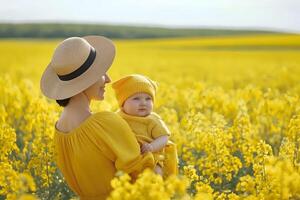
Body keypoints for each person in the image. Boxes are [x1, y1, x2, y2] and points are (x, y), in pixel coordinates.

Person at [40, 36, 155, 200]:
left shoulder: (58, 133)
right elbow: (143, 175)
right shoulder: (105, 124)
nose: (108, 79)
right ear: (83, 82)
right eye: (101, 73)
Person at [112, 74, 178, 178]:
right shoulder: (117, 117)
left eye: (148, 99)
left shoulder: (152, 119)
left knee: (155, 173)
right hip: (126, 157)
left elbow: (164, 137)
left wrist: (151, 147)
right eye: (136, 99)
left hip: (150, 156)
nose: (143, 103)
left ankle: (156, 191)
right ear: (123, 103)